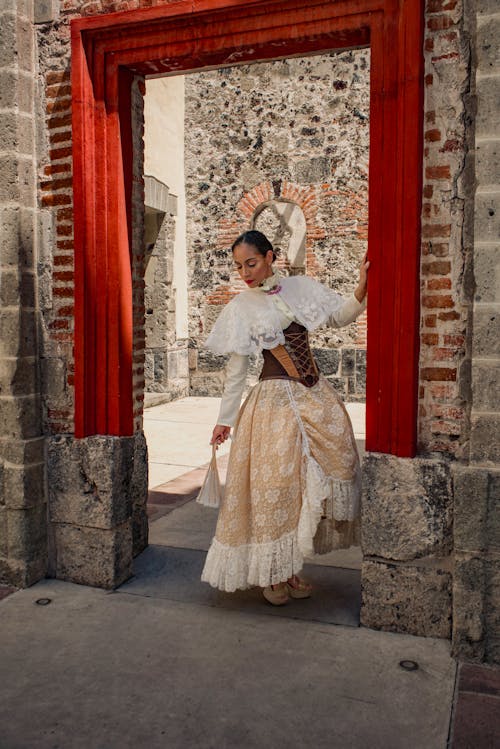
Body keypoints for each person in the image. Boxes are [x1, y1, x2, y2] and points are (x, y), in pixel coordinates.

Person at [201, 230, 369, 605]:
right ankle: (272, 573)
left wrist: (361, 288)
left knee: (333, 465)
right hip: (273, 403)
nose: (245, 272)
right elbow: (236, 371)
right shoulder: (242, 307)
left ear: (270, 256)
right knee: (275, 488)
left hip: (313, 396)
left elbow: (339, 317)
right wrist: (224, 420)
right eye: (239, 266)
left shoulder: (300, 288)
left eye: (252, 263)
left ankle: (291, 568)